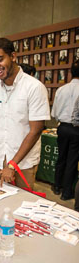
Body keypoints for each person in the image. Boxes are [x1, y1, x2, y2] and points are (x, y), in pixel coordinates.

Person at [0, 37, 50, 189]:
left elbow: (35, 130)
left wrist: (12, 165)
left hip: (23, 163)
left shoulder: (34, 87)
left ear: (13, 56)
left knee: (21, 206)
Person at [51, 60, 79, 200]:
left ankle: (57, 186)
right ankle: (66, 192)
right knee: (72, 160)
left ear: (70, 72)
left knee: (61, 157)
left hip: (62, 127)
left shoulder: (61, 89)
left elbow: (54, 113)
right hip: (76, 129)